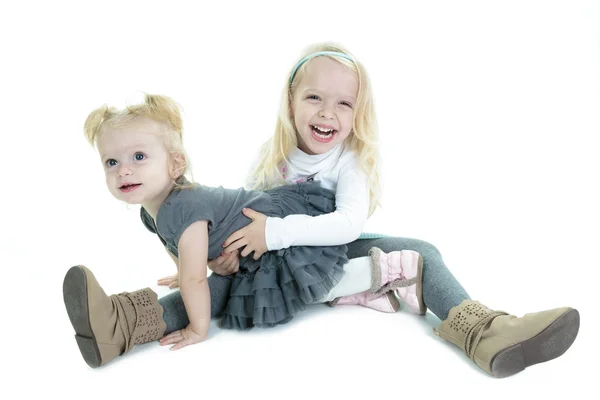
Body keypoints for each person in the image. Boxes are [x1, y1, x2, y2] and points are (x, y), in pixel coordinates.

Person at [159, 42, 581, 378]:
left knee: (423, 253)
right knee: (216, 289)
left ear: (357, 113)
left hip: (328, 255)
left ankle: (485, 332)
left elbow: (347, 225)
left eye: (344, 104)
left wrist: (272, 234)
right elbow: (244, 217)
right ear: (290, 103)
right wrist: (223, 257)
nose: (328, 112)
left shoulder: (350, 161)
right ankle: (127, 320)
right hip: (273, 272)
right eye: (314, 98)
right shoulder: (272, 156)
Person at [62, 92, 424, 370]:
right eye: (112, 162)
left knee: (300, 283)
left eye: (139, 157)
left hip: (274, 232)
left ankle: (389, 270)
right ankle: (362, 292)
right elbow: (176, 248)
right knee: (271, 287)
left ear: (175, 164)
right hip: (249, 243)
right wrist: (183, 267)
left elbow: (195, 280)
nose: (124, 171)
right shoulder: (152, 210)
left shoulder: (184, 206)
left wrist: (198, 329)